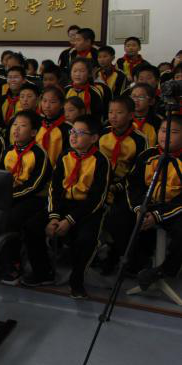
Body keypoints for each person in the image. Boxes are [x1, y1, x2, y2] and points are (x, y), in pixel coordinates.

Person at [22, 115, 110, 299]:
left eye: (80, 133)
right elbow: (54, 189)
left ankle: (77, 281)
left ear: (94, 138)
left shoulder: (101, 161)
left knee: (86, 239)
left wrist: (69, 220)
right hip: (63, 204)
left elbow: (97, 199)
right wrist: (54, 217)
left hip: (87, 209)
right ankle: (43, 272)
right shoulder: (64, 156)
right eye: (72, 131)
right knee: (31, 226)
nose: (74, 136)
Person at [98, 95, 149, 274]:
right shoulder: (103, 133)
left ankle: (122, 257)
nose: (113, 116)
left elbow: (138, 171)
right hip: (102, 184)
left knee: (118, 218)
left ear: (130, 115)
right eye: (111, 112)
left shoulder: (139, 139)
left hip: (126, 188)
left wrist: (117, 186)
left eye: (119, 112)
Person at [130, 116, 182, 290]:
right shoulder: (147, 155)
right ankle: (140, 264)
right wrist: (140, 208)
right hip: (147, 204)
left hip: (174, 208)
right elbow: (134, 185)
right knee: (117, 219)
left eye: (173, 132)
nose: (166, 136)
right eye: (163, 130)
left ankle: (164, 270)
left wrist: (158, 216)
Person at [1, 110, 52, 283]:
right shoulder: (8, 150)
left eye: (22, 126)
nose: (16, 129)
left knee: (12, 219)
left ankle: (14, 264)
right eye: (14, 125)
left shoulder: (39, 154)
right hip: (11, 196)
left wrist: (10, 196)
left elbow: (34, 186)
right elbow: (0, 177)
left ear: (33, 132)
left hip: (35, 199)